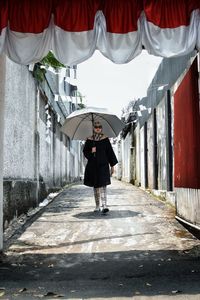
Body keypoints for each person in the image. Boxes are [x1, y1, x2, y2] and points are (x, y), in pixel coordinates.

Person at [83, 121, 118, 213]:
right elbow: (85, 152)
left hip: (103, 166)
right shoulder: (89, 140)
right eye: (96, 127)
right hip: (93, 166)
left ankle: (104, 205)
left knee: (103, 185)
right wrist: (92, 151)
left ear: (101, 128)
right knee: (96, 186)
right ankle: (97, 206)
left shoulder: (105, 139)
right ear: (93, 128)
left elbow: (110, 152)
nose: (98, 128)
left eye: (99, 127)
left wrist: (112, 165)